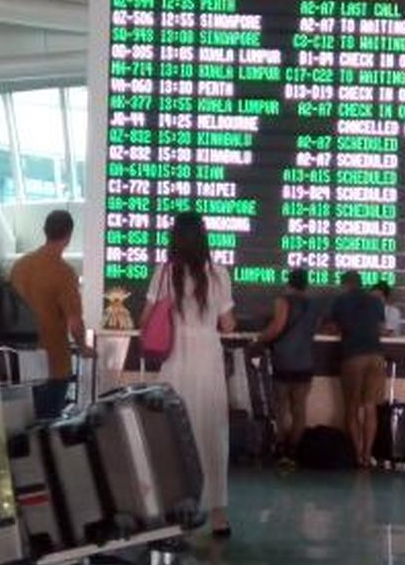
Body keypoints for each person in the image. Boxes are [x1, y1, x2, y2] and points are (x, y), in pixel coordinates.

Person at [139, 212, 235, 537]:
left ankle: (176, 510)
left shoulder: (164, 273)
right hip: (208, 359)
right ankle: (219, 515)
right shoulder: (219, 274)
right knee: (212, 432)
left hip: (175, 359)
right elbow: (228, 325)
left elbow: (146, 320)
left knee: (175, 433)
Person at [9, 210, 95, 419]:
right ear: (69, 235)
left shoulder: (19, 266)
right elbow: (74, 322)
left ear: (44, 231)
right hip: (53, 363)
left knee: (25, 425)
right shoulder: (64, 272)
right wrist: (83, 348)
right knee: (48, 425)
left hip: (21, 360)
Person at [254, 269, 332, 452]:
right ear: (306, 285)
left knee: (280, 407)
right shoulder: (314, 305)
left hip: (283, 361)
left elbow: (277, 327)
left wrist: (259, 339)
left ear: (289, 283)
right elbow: (316, 327)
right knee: (299, 409)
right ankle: (295, 450)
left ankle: (280, 446)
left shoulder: (283, 301)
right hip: (305, 363)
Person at [327, 271, 387, 469]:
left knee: (351, 407)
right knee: (370, 407)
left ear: (345, 285)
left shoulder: (340, 301)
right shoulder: (376, 301)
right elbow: (380, 329)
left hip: (353, 356)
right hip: (377, 356)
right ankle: (368, 454)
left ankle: (357, 455)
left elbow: (334, 328)